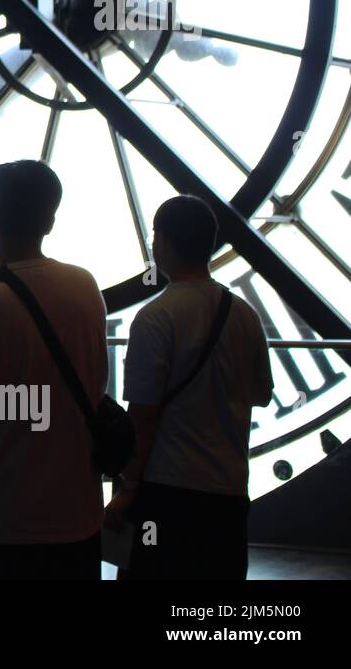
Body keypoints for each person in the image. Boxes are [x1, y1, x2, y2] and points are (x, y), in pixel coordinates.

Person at [0, 160, 108, 580]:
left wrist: (26, 401)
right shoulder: (85, 288)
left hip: (2, 515)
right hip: (76, 509)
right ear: (49, 221)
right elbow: (95, 384)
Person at [107, 195, 272, 579]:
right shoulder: (244, 315)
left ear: (162, 242)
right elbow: (260, 394)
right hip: (228, 491)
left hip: (167, 491)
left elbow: (143, 416)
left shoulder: (154, 318)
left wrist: (127, 489)